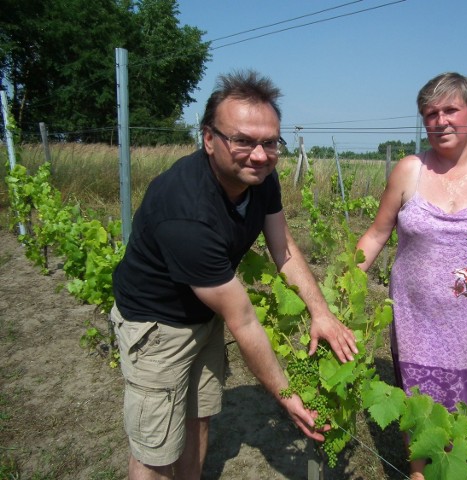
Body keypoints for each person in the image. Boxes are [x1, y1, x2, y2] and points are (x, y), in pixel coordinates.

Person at [110, 69, 358, 480]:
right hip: (155, 325)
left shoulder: (260, 178)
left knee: (198, 417)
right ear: (209, 139)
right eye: (241, 140)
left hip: (203, 315)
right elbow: (242, 320)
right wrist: (289, 398)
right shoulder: (186, 211)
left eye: (269, 143)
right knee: (156, 451)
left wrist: (322, 313)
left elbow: (284, 249)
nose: (259, 155)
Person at [356, 72, 467, 479]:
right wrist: (336, 287)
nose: (440, 121)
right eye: (430, 113)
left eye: (451, 110)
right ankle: (419, 473)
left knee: (462, 415)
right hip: (414, 318)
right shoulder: (409, 170)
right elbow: (377, 234)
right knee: (418, 410)